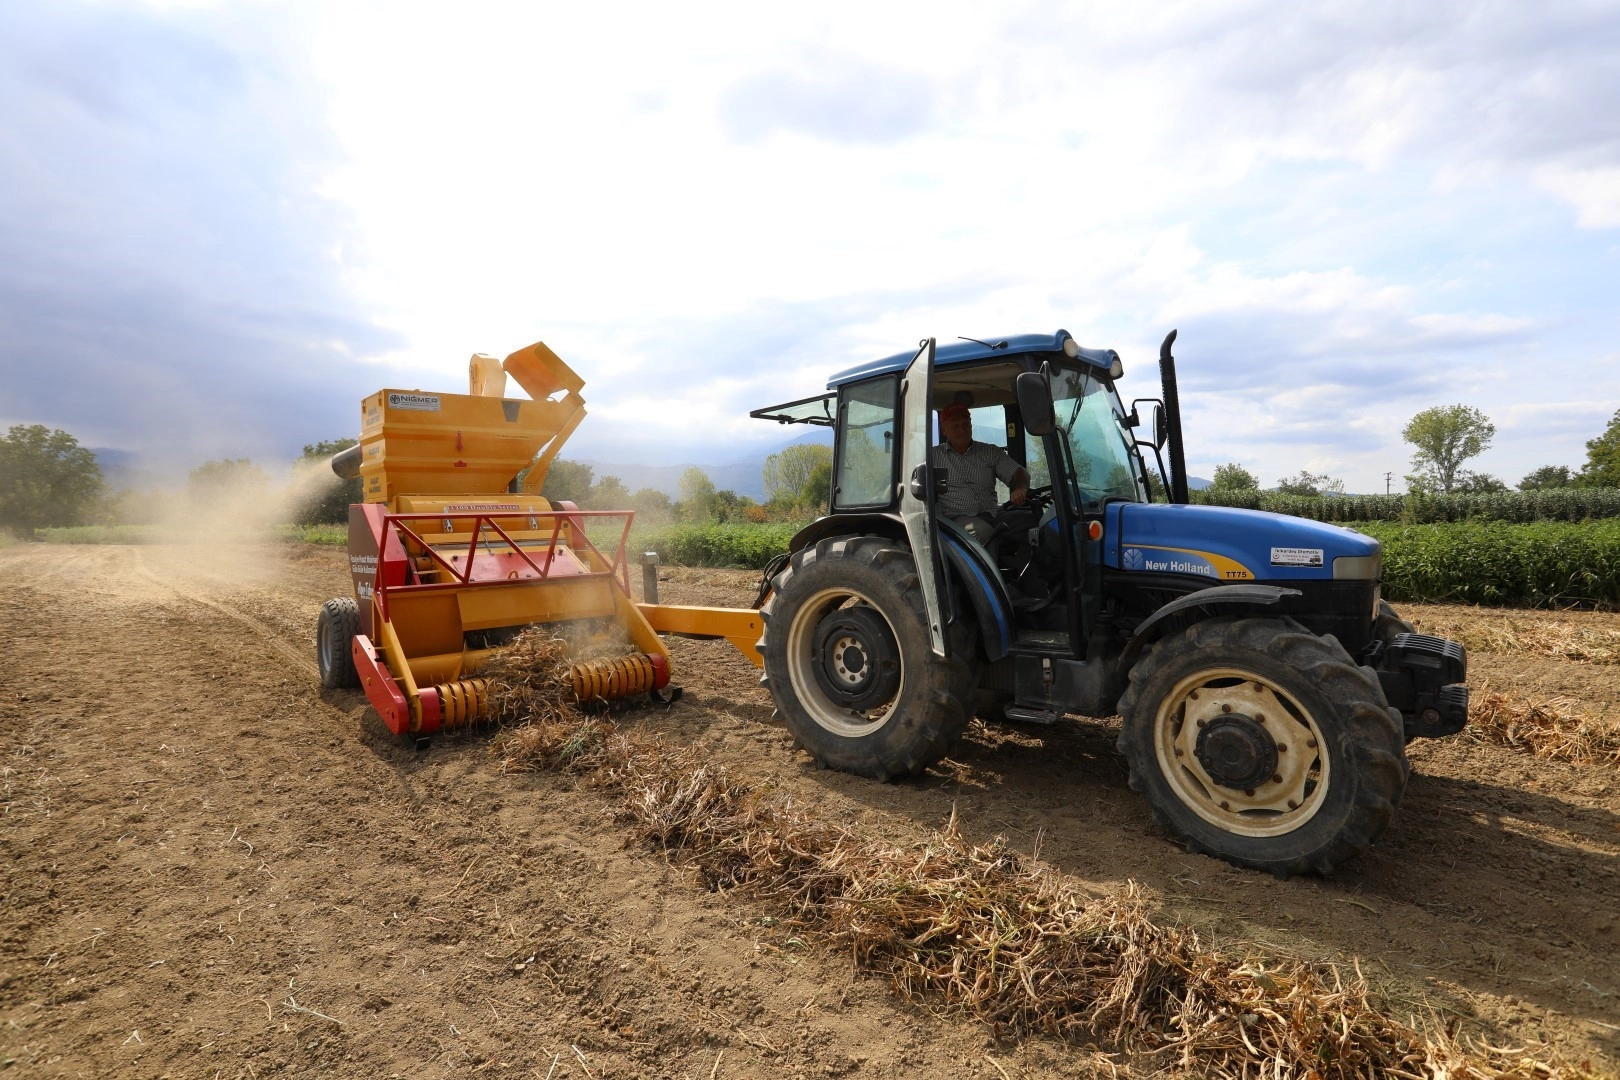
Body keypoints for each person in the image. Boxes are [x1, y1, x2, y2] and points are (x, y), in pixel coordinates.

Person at [930, 403, 1029, 545]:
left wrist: (1020, 488)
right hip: (956, 520)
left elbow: (1019, 472)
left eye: (966, 424)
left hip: (993, 514)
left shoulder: (990, 452)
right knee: (982, 532)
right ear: (944, 430)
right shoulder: (932, 457)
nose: (962, 430)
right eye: (955, 426)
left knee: (1032, 520)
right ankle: (990, 568)